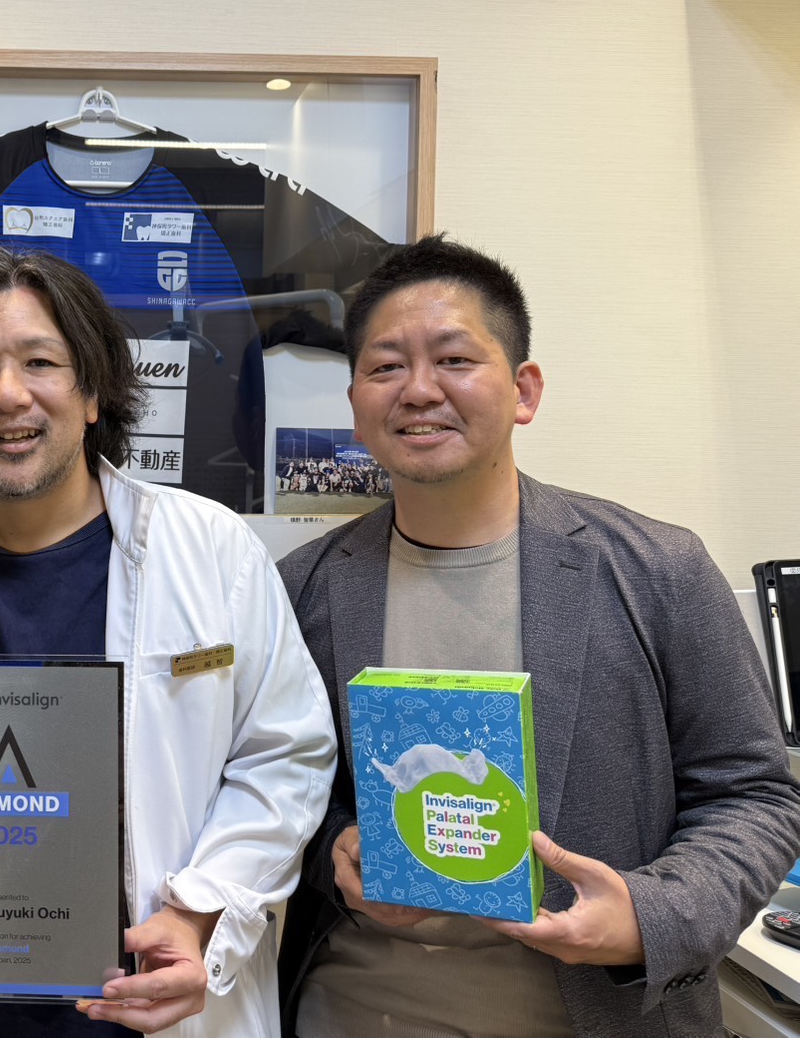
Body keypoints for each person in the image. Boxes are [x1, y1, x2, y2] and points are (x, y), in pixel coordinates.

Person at [275, 234, 800, 1037]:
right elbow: (285, 791)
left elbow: (754, 792)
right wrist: (336, 848)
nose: (418, 390)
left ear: (523, 390)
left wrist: (650, 914)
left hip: (605, 1016)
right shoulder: (301, 587)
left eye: (453, 360)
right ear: (355, 403)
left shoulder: (657, 568)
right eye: (384, 368)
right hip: (350, 1012)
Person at [0, 245, 337, 1037]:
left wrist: (198, 913)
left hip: (151, 1005)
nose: (7, 395)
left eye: (40, 362)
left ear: (92, 393)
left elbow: (284, 753)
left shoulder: (211, 552)